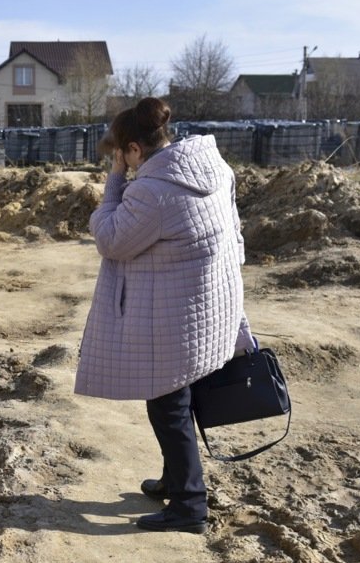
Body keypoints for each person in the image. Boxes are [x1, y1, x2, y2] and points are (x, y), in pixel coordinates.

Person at [74, 97, 255, 534]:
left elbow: (110, 238)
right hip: (208, 302)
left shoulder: (152, 191)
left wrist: (114, 180)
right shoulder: (215, 168)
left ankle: (190, 505)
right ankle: (175, 479)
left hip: (172, 314)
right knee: (182, 396)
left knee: (168, 405)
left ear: (134, 149)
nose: (122, 162)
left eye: (122, 154)